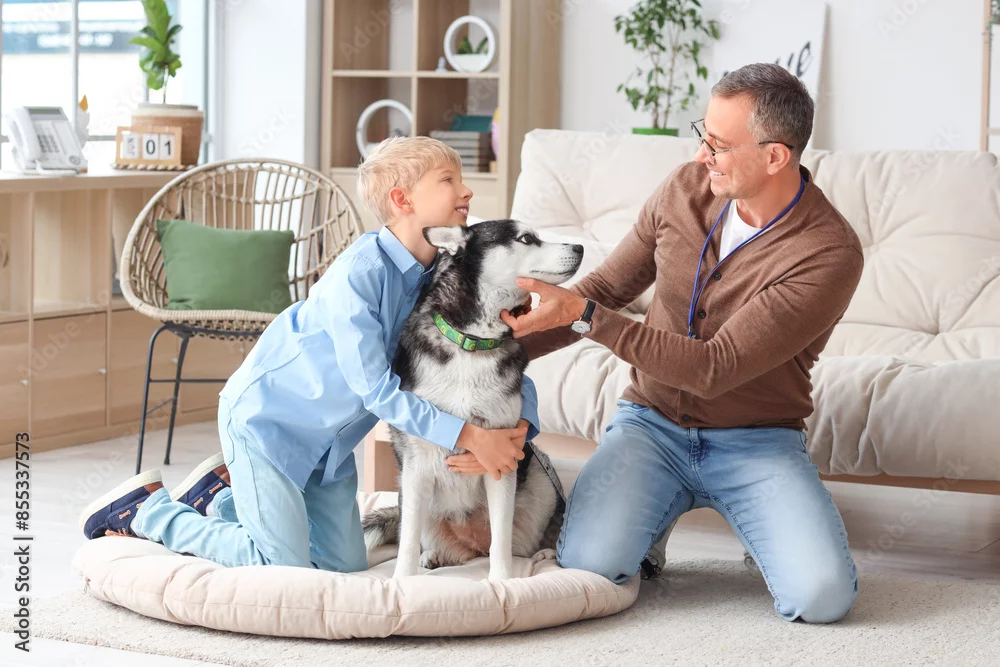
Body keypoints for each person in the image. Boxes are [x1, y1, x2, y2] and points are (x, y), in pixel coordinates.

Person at [452, 63, 864, 624]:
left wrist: (586, 316)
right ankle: (654, 522)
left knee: (821, 598)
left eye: (718, 146)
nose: (701, 156)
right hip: (652, 427)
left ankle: (760, 525)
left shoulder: (827, 252)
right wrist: (487, 352)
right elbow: (607, 288)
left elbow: (714, 367)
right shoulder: (685, 189)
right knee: (589, 567)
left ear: (775, 156)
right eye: (703, 136)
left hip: (757, 441)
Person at [80, 136, 539, 572]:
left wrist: (521, 424)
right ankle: (147, 512)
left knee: (343, 565)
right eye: (448, 180)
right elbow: (377, 390)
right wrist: (469, 436)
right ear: (402, 200)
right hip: (268, 425)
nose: (466, 190)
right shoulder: (360, 275)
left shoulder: (443, 274)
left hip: (329, 448)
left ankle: (220, 499)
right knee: (281, 565)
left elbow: (488, 357)